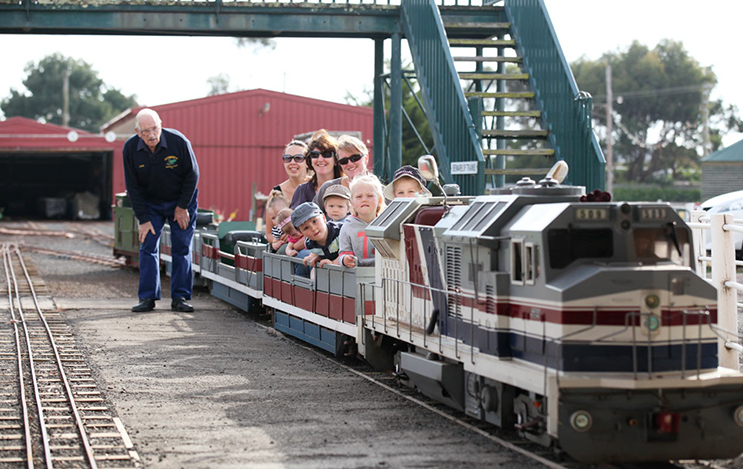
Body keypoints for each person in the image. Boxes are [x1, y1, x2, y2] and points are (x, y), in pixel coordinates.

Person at [123, 108, 199, 313]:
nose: (151, 134)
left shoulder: (179, 142)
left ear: (161, 125)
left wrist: (182, 207)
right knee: (147, 247)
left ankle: (180, 297)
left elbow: (192, 176)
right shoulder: (130, 149)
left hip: (181, 201)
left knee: (181, 248)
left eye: (154, 129)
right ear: (137, 132)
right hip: (151, 204)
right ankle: (147, 298)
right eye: (145, 131)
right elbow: (132, 187)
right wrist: (143, 218)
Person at [265, 140, 310, 249]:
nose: (292, 162)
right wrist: (280, 239)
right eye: (288, 158)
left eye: (298, 158)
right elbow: (268, 233)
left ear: (307, 162)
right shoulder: (276, 193)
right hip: (287, 250)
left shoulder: (316, 186)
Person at [339, 174, 386, 268]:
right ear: (352, 203)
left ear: (379, 201)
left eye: (370, 195)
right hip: (358, 275)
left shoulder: (385, 224)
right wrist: (345, 259)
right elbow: (343, 252)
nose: (364, 200)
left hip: (382, 274)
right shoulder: (347, 227)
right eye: (359, 196)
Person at [313, 134, 370, 207]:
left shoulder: (379, 191)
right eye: (344, 160)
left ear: (366, 158)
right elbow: (312, 214)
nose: (350, 163)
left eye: (355, 158)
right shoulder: (328, 188)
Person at [290, 129, 343, 208]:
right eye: (315, 155)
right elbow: (292, 219)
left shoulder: (345, 187)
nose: (320, 159)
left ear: (336, 160)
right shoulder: (302, 191)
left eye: (326, 154)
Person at [291, 201, 343, 270]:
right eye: (306, 228)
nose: (313, 228)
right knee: (314, 271)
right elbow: (320, 251)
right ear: (302, 233)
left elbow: (350, 250)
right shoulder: (309, 244)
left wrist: (333, 263)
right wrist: (314, 256)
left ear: (324, 218)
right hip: (331, 266)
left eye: (314, 221)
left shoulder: (340, 231)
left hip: (350, 266)